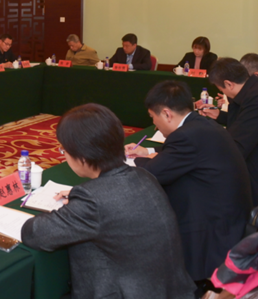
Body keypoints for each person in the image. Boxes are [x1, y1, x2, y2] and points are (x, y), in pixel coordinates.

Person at [20, 103, 195, 299]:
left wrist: (83, 204)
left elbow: (35, 234)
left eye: (64, 150)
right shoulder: (143, 175)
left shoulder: (93, 199)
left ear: (82, 155)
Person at [126, 81, 251, 296]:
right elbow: (178, 153)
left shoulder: (186, 136)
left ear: (166, 114)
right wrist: (148, 152)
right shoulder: (200, 125)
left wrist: (129, 162)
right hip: (231, 217)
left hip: (213, 228)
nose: (154, 124)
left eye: (152, 117)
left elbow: (154, 173)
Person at [198, 57, 258, 204]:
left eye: (221, 89)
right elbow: (244, 121)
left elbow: (238, 145)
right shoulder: (250, 88)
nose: (222, 92)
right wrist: (220, 115)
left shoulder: (254, 97)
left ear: (229, 84)